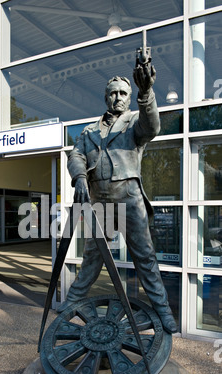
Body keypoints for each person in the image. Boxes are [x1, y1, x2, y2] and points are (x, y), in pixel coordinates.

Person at [58, 60, 177, 335]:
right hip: (99, 200)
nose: (118, 98)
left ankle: (164, 312)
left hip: (128, 197)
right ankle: (73, 300)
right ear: (106, 96)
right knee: (91, 257)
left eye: (123, 93)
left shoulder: (134, 121)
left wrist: (145, 94)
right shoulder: (89, 131)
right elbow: (75, 156)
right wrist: (79, 178)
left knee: (144, 258)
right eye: (113, 93)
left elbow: (152, 127)